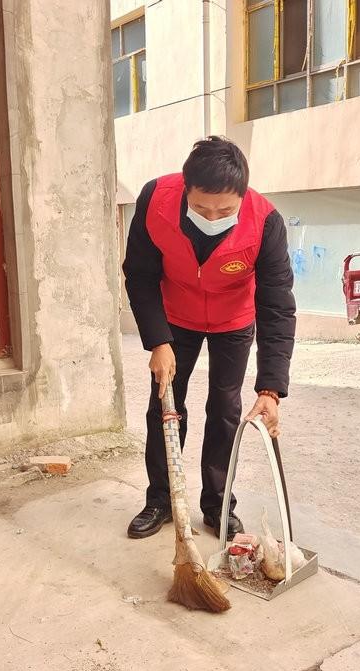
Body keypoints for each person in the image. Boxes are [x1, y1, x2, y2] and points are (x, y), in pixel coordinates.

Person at [122, 136, 296, 540]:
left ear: (242, 195)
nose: (212, 216)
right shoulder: (155, 199)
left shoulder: (265, 222)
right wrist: (157, 342)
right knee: (165, 405)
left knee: (224, 408)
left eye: (225, 209)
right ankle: (162, 499)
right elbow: (141, 274)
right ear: (186, 190)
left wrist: (271, 387)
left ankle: (218, 506)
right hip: (175, 317)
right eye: (201, 207)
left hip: (233, 320)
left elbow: (277, 306)